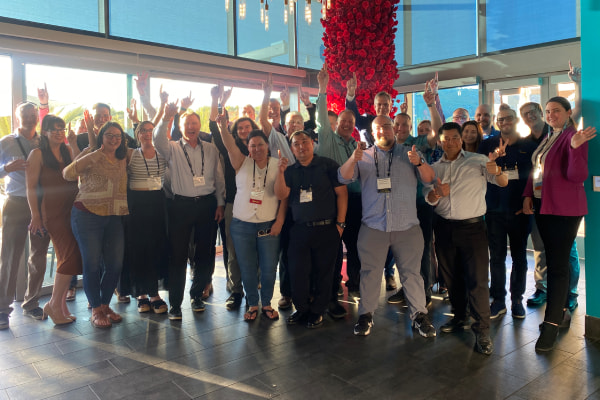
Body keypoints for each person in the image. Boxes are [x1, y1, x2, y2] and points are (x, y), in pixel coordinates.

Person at [340, 116, 437, 337]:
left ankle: (419, 316)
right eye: (378, 128)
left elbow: (430, 179)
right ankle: (366, 315)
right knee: (370, 273)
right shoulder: (362, 156)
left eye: (386, 126)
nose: (383, 130)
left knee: (412, 274)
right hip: (373, 227)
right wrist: (352, 160)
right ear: (373, 133)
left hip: (407, 227)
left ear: (393, 129)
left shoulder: (410, 153)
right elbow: (343, 178)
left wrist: (420, 163)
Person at [425, 122, 508, 355]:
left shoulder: (479, 161)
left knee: (478, 280)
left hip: (473, 229)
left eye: (454, 138)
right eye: (445, 139)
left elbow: (502, 183)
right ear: (440, 141)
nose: (449, 142)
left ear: (461, 140)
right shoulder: (433, 169)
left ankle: (482, 330)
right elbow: (428, 199)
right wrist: (436, 193)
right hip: (443, 229)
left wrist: (498, 171)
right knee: (451, 278)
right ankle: (459, 316)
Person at [522, 96, 595, 352]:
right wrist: (528, 195)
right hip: (544, 207)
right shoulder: (548, 137)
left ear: (567, 113)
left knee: (557, 266)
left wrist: (575, 148)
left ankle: (551, 324)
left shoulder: (573, 136)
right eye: (548, 111)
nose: (551, 115)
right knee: (553, 261)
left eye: (556, 111)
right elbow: (537, 170)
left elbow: (577, 176)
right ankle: (561, 311)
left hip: (564, 211)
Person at [153, 102, 225, 321]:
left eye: (194, 123)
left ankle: (197, 296)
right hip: (180, 205)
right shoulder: (172, 148)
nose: (191, 127)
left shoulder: (210, 148)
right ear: (181, 126)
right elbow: (157, 139)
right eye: (187, 123)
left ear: (200, 125)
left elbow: (219, 177)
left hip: (207, 205)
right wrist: (167, 116)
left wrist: (220, 203)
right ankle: (175, 304)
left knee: (205, 253)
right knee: (177, 255)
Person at [216, 111, 287, 321]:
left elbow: (283, 196)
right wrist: (222, 126)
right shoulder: (241, 162)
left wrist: (282, 173)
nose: (256, 149)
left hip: (268, 225)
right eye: (252, 145)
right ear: (247, 147)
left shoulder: (278, 164)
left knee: (267, 269)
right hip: (241, 225)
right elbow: (229, 143)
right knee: (246, 268)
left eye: (260, 145)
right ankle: (252, 304)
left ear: (267, 146)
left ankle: (266, 303)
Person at [275, 130, 347, 329]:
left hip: (327, 229)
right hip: (299, 230)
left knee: (325, 272)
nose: (301, 146)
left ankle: (318, 311)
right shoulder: (289, 171)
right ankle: (303, 309)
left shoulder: (328, 165)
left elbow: (342, 194)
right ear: (292, 149)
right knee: (298, 271)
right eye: (296, 144)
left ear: (313, 143)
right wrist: (280, 173)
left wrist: (340, 224)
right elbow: (282, 195)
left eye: (304, 142)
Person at [64, 121, 130, 329]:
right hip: (87, 215)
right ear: (101, 136)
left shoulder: (123, 157)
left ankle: (104, 304)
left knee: (115, 264)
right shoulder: (91, 155)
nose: (114, 139)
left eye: (118, 136)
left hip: (113, 216)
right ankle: (95, 308)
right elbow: (67, 173)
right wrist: (90, 154)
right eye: (109, 135)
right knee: (92, 264)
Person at [478, 107, 537, 319]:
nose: (504, 122)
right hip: (494, 210)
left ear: (515, 120)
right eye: (500, 119)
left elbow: (535, 175)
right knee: (497, 258)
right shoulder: (487, 145)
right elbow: (478, 171)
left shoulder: (528, 145)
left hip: (520, 211)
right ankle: (499, 300)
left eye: (508, 118)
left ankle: (517, 300)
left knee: (520, 258)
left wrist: (529, 199)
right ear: (497, 122)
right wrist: (492, 159)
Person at [25, 115, 81, 325]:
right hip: (52, 211)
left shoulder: (66, 150)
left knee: (66, 257)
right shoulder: (37, 154)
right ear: (45, 131)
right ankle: (53, 304)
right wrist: (36, 215)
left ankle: (61, 305)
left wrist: (74, 143)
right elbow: (31, 187)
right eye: (54, 129)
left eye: (62, 128)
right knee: (69, 257)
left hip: (71, 208)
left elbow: (78, 170)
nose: (59, 132)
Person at [0, 101, 51, 329]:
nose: (31, 118)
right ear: (17, 116)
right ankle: (2, 310)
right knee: (10, 258)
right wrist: (6, 169)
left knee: (38, 255)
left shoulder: (45, 142)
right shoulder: (7, 142)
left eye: (33, 115)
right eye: (26, 115)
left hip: (42, 206)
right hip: (16, 204)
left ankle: (31, 303)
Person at [314, 64, 359, 318]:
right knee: (332, 253)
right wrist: (323, 89)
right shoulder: (328, 138)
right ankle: (330, 297)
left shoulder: (356, 144)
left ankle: (354, 286)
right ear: (337, 123)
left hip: (357, 203)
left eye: (350, 122)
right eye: (342, 121)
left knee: (354, 247)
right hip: (333, 204)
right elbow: (321, 118)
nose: (346, 124)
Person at [209, 85, 258, 311]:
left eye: (248, 126)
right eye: (240, 128)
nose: (244, 130)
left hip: (260, 205)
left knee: (257, 248)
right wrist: (219, 102)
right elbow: (214, 126)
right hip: (233, 204)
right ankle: (236, 290)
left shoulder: (261, 148)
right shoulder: (230, 148)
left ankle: (253, 292)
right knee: (233, 248)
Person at [124, 119, 168, 314]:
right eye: (142, 131)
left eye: (150, 130)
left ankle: (154, 294)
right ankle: (140, 294)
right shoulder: (130, 154)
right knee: (138, 249)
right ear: (137, 134)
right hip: (137, 205)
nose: (147, 134)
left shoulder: (163, 153)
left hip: (158, 203)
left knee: (155, 248)